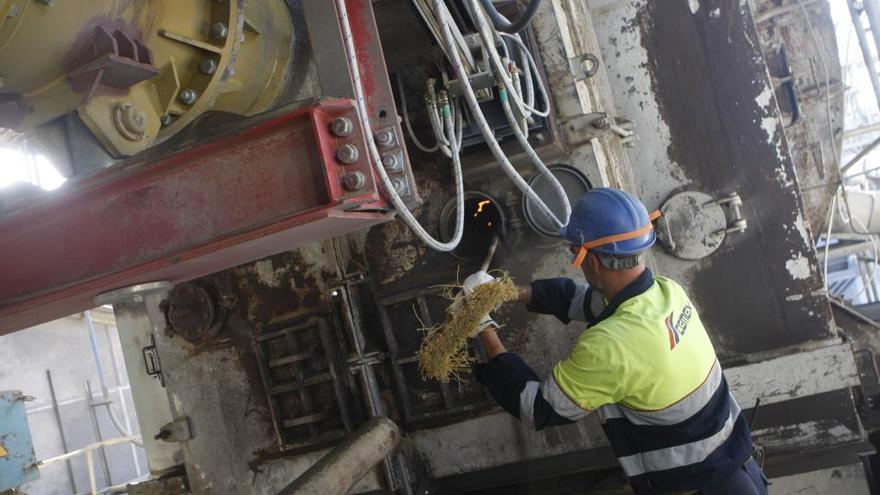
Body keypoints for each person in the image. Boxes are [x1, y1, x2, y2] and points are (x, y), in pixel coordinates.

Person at [462, 188, 768, 494]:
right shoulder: (665, 293)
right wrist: (503, 292)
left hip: (698, 486)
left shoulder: (611, 347)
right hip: (740, 471)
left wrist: (482, 324)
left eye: (574, 251)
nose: (575, 260)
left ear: (593, 262)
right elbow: (582, 300)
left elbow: (536, 407)